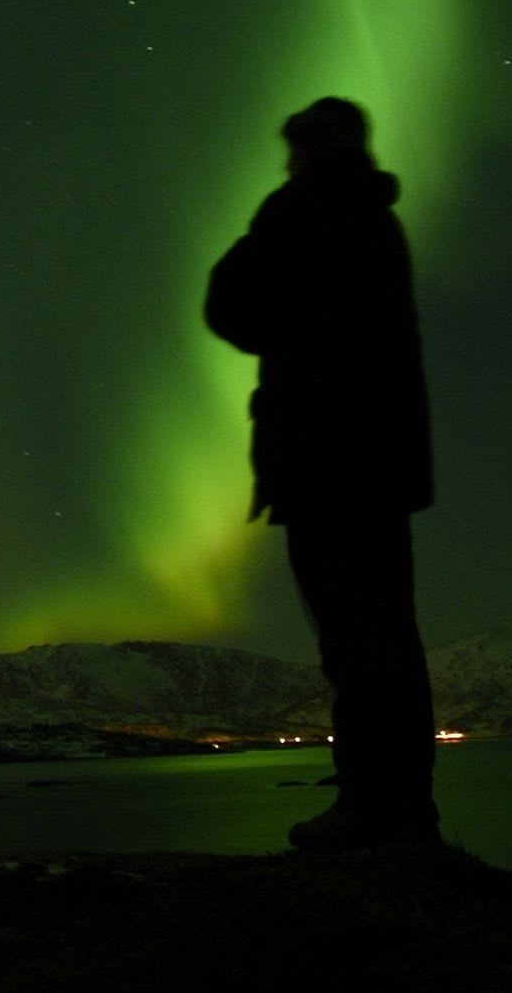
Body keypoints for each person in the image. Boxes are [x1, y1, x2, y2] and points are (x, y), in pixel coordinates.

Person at [205, 96, 440, 849]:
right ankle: (399, 811)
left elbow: (229, 304)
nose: (287, 165)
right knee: (384, 637)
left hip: (327, 457)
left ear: (309, 153)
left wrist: (280, 212)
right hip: (379, 459)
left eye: (294, 153)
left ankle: (376, 814)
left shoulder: (310, 210)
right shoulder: (376, 221)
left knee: (356, 641)